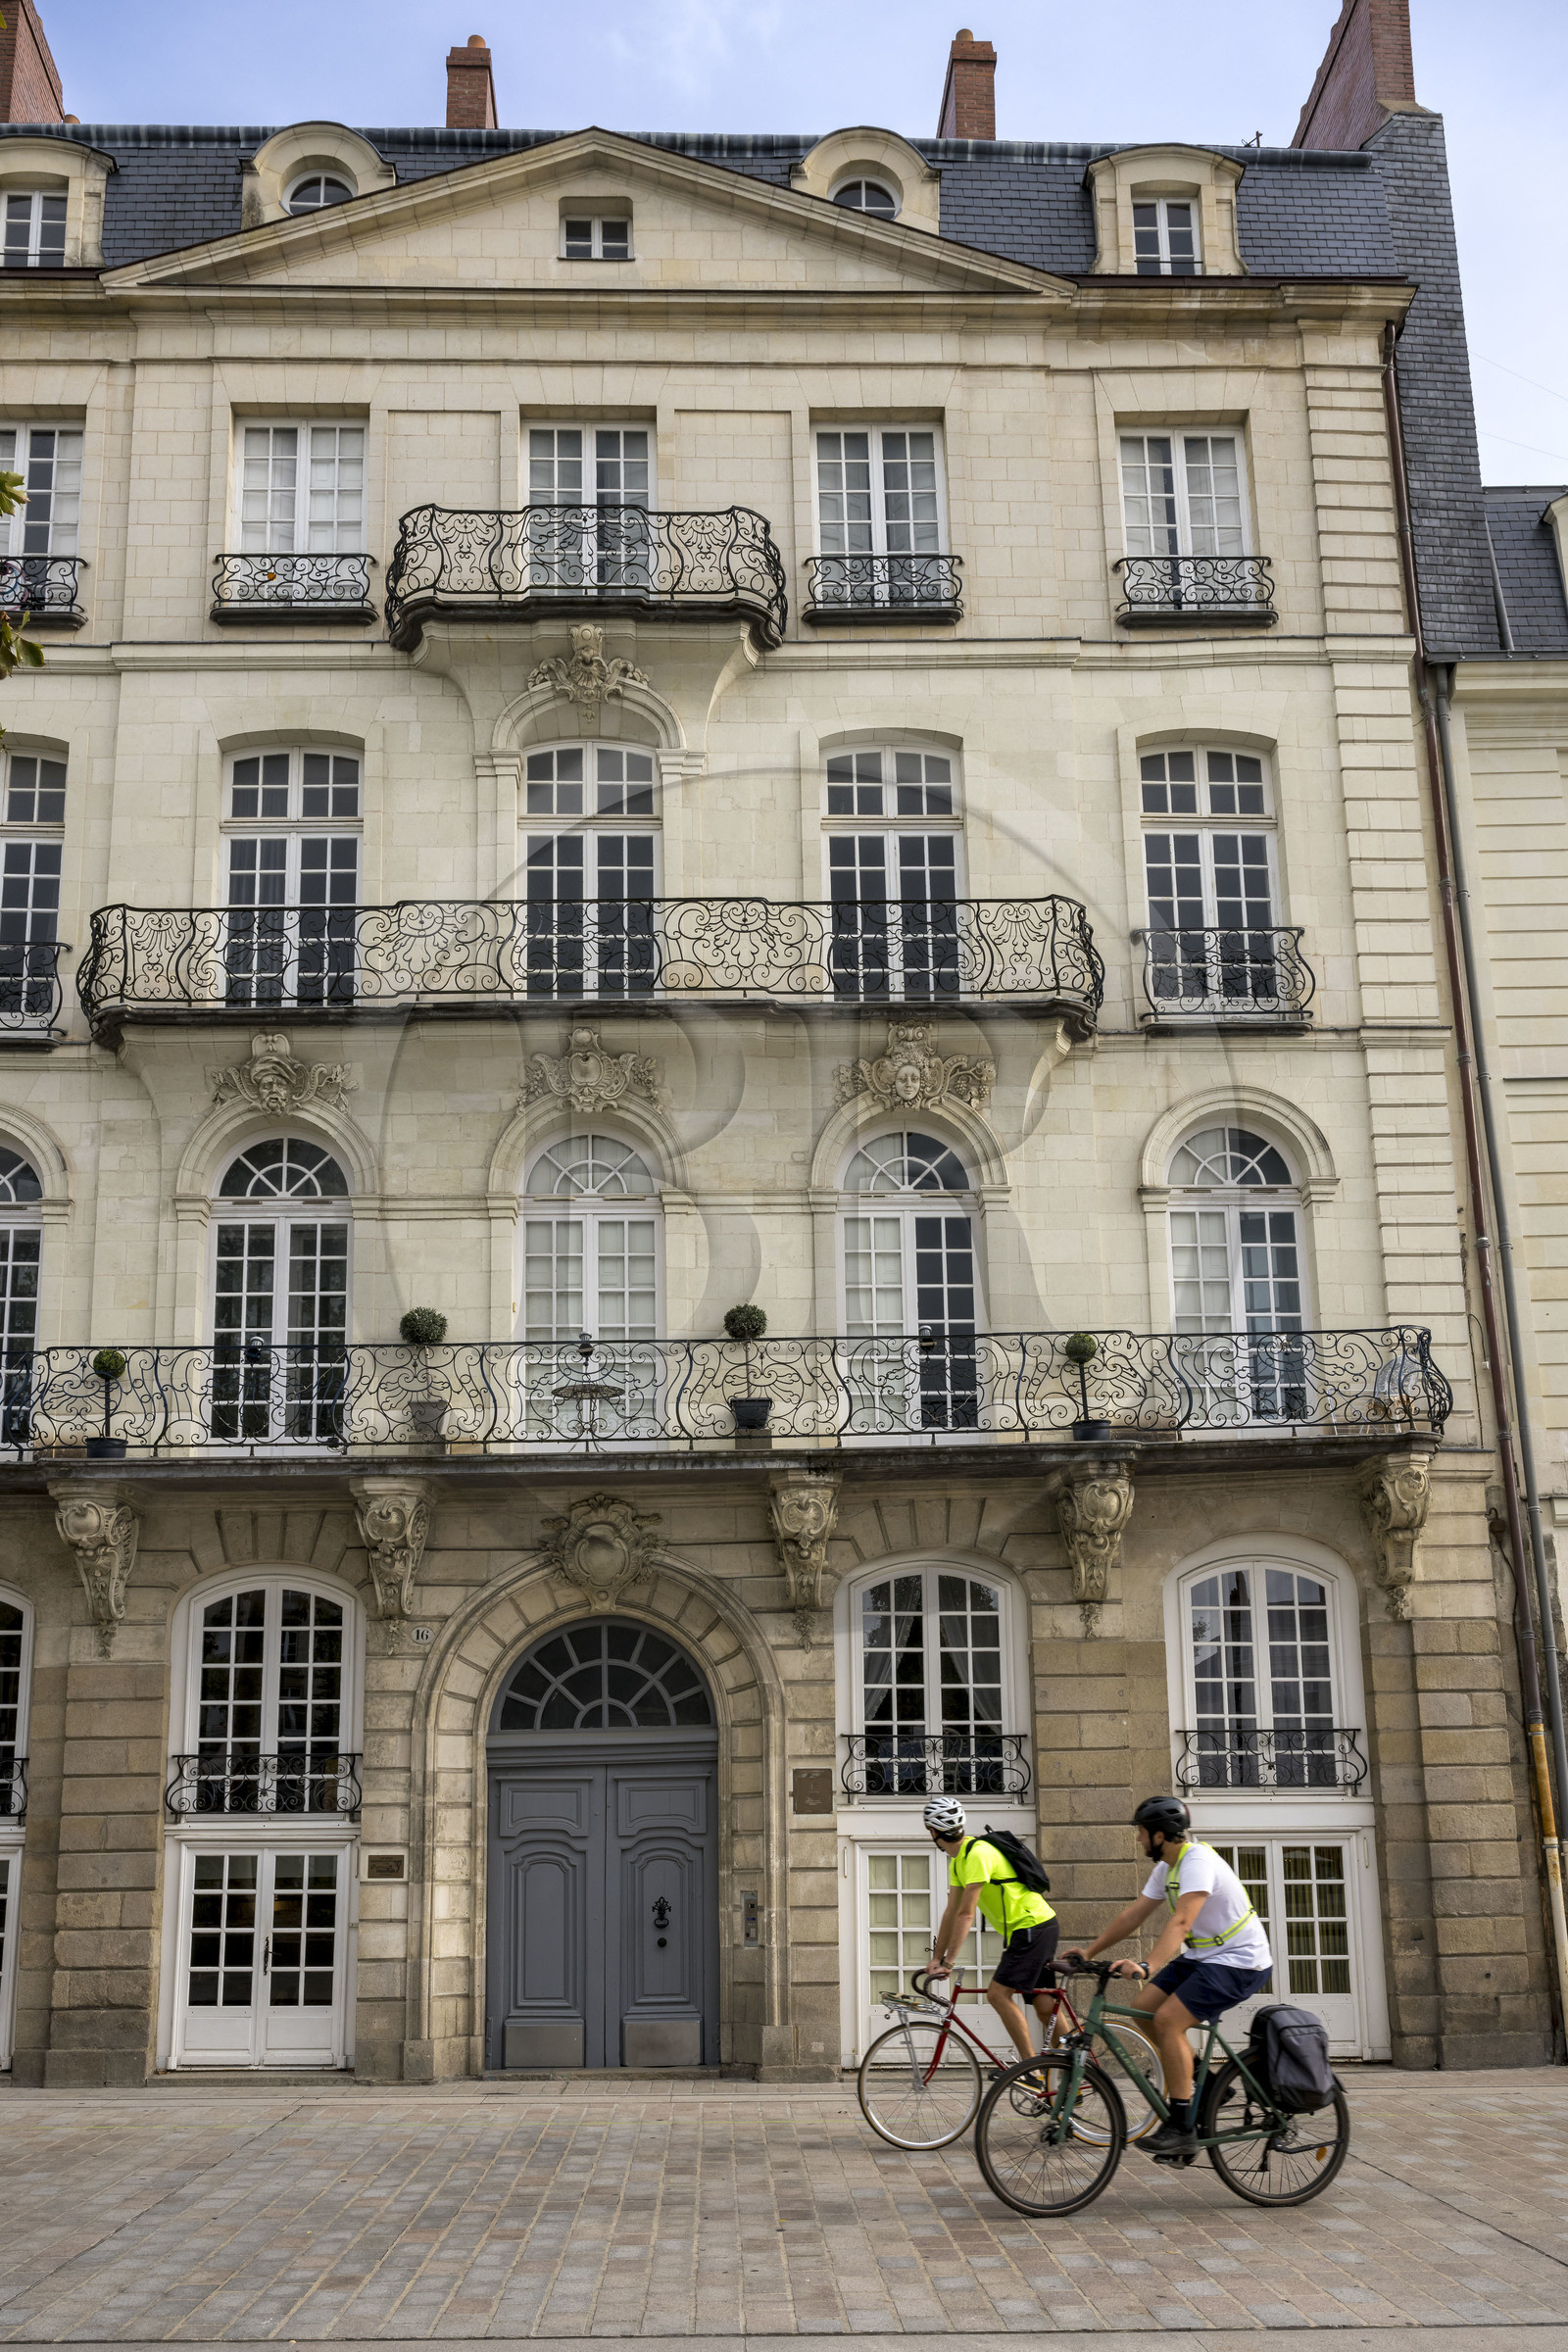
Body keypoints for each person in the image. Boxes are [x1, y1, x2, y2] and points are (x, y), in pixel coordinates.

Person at [1058, 1793, 1274, 2161]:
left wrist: (1148, 1965)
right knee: (1144, 2008)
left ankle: (1182, 2127)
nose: (1138, 1838)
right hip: (1205, 1955)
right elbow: (1133, 1916)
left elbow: (1182, 1922)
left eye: (1142, 1832)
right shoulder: (1167, 1868)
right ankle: (1205, 2086)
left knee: (1168, 2021)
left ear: (1160, 1835)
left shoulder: (1197, 1861)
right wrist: (1089, 1952)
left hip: (1241, 1960)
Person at [921, 1796, 1058, 2063]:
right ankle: (1078, 2069)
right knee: (1045, 2006)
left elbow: (966, 1913)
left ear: (934, 1832)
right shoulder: (960, 1860)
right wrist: (937, 1958)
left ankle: (1031, 2071)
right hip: (1034, 1928)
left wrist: (949, 1963)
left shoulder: (977, 1853)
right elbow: (950, 1913)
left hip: (1031, 1926)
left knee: (997, 1994)